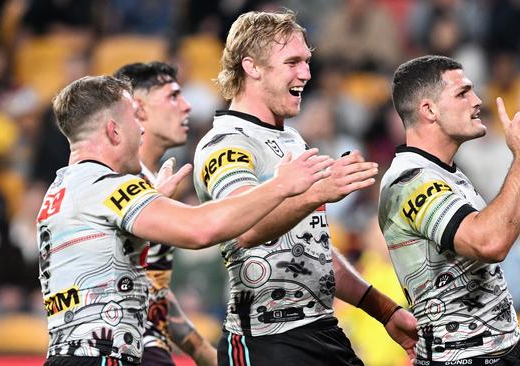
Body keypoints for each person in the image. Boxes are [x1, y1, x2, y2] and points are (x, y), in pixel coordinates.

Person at [37, 75, 333, 366]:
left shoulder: (61, 190)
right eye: (134, 119)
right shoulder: (106, 186)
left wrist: (151, 205)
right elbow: (200, 230)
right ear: (114, 131)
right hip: (102, 359)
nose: (141, 130)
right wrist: (280, 186)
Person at [192, 10, 418, 366]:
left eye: (307, 62)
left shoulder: (292, 140)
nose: (307, 73)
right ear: (252, 67)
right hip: (266, 340)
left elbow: (314, 252)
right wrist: (316, 193)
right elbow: (244, 228)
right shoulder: (226, 144)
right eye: (293, 62)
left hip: (322, 331)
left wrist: (385, 310)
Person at [378, 55, 520, 365]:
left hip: (505, 350)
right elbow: (490, 242)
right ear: (429, 110)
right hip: (463, 357)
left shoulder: (445, 172)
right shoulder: (411, 181)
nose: (477, 101)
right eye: (463, 93)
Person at [113, 62, 215, 366]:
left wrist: (202, 351)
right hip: (127, 349)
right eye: (173, 96)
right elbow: (201, 230)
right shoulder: (118, 182)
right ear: (138, 109)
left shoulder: (148, 178)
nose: (187, 107)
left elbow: (152, 289)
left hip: (149, 347)